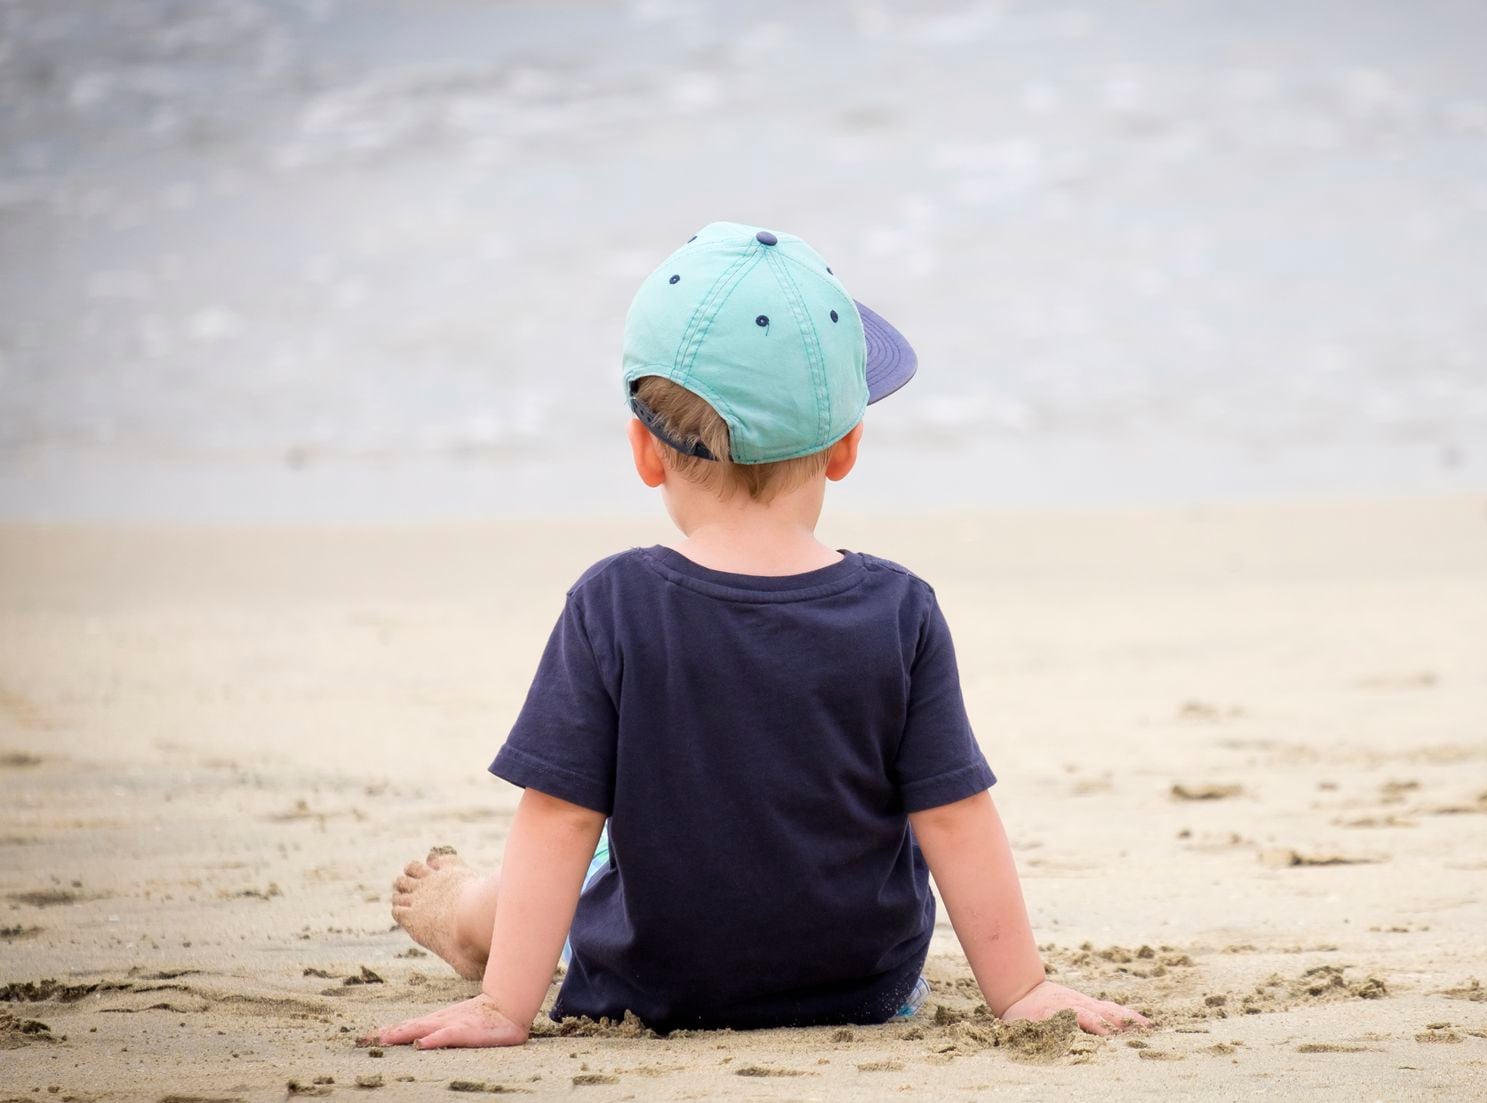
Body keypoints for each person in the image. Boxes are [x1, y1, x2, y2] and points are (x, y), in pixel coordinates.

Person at [364, 222, 1151, 1049]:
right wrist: (1021, 987)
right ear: (847, 446)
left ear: (644, 449)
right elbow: (953, 815)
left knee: (590, 869)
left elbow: (561, 815)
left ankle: (468, 916)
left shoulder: (612, 603)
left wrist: (503, 1008)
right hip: (862, 985)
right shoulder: (900, 609)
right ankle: (473, 911)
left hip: (656, 977)